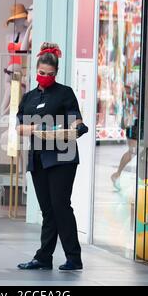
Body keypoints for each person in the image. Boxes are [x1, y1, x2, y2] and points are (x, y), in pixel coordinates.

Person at [16, 43, 89, 271]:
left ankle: (73, 257)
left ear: (56, 74)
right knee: (47, 209)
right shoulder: (28, 97)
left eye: (49, 74)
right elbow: (19, 126)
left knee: (60, 205)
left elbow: (75, 118)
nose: (45, 77)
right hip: (38, 159)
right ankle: (44, 257)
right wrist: (35, 130)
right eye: (41, 73)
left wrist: (78, 127)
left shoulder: (64, 93)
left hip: (61, 158)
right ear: (36, 71)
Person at [111, 85, 139, 191]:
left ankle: (117, 174)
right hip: (133, 123)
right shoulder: (129, 89)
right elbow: (126, 96)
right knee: (133, 151)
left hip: (135, 122)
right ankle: (117, 174)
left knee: (134, 151)